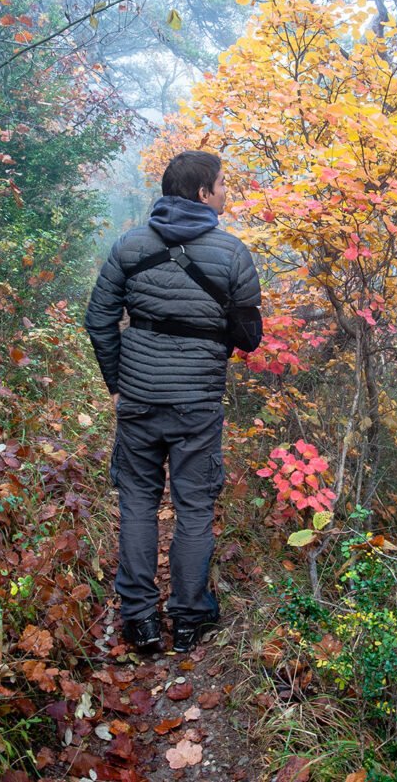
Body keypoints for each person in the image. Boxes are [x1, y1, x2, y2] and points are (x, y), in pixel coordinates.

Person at [84, 150, 262, 653]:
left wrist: (119, 382)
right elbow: (250, 338)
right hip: (196, 405)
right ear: (203, 193)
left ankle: (139, 622)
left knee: (138, 504)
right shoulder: (231, 254)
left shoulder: (129, 245)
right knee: (194, 507)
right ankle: (188, 621)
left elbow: (98, 320)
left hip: (138, 399)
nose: (227, 192)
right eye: (223, 184)